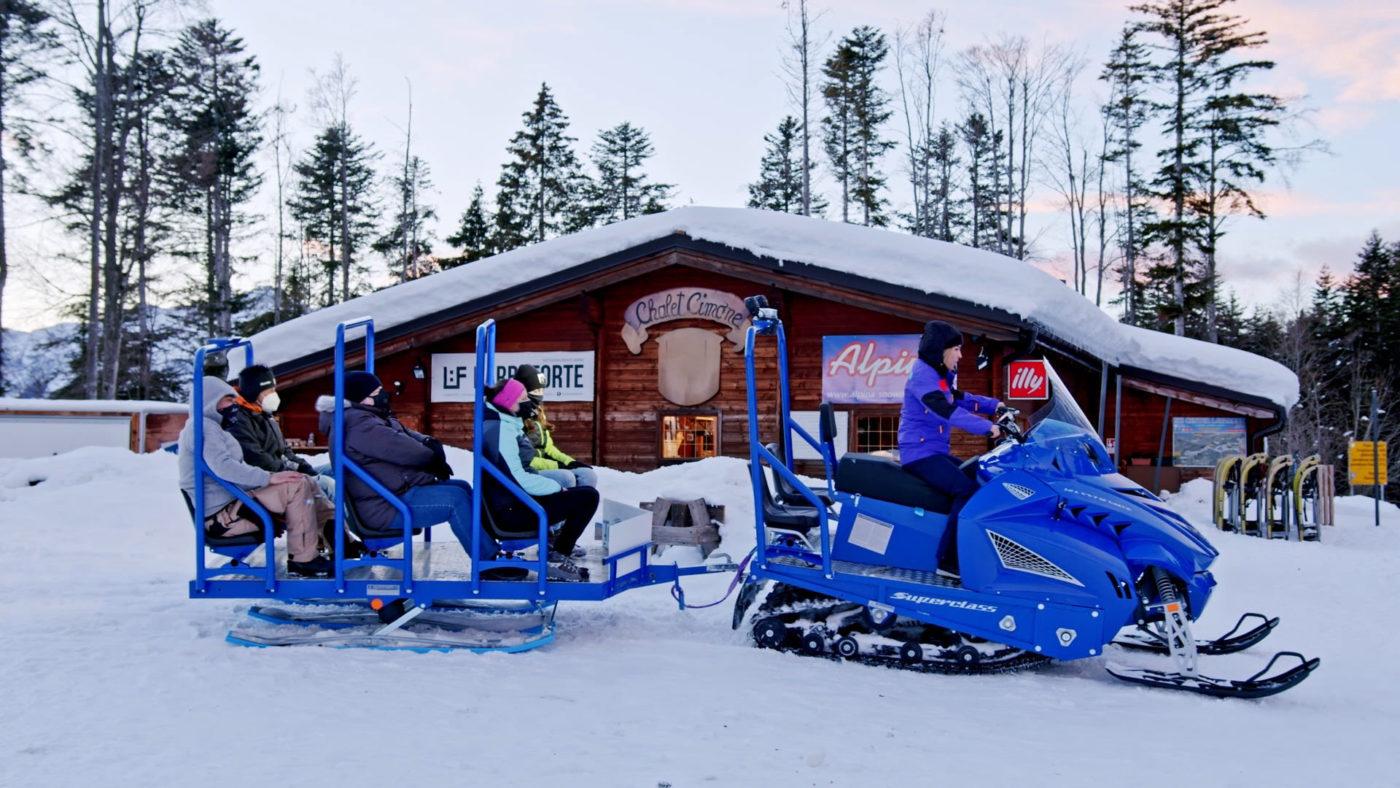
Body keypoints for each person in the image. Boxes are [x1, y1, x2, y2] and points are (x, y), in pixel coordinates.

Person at [178, 377, 336, 578]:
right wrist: (269, 478)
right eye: (228, 400)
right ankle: (303, 560)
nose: (233, 405)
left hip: (236, 504)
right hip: (224, 518)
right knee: (296, 486)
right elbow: (224, 467)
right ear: (210, 401)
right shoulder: (203, 428)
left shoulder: (213, 427)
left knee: (304, 480)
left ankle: (340, 541)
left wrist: (275, 476)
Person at [898, 320, 1003, 576]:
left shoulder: (937, 375)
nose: (960, 354)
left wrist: (994, 406)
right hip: (918, 454)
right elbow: (946, 410)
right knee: (966, 490)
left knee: (975, 476)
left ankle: (964, 546)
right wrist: (986, 428)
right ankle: (948, 560)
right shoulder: (924, 376)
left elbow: (957, 398)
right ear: (941, 351)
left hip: (932, 451)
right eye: (956, 349)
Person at [481, 377, 597, 581]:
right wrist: (555, 487)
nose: (529, 402)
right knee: (588, 497)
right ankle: (558, 558)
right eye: (524, 398)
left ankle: (558, 551)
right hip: (512, 511)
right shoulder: (502, 431)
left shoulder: (506, 424)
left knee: (582, 494)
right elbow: (519, 479)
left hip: (514, 501)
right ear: (509, 402)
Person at [511, 364, 598, 489]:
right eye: (536, 391)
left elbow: (549, 449)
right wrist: (558, 466)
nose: (540, 395)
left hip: (544, 466)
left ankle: (579, 507)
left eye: (541, 390)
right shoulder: (514, 417)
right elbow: (523, 459)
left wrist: (570, 462)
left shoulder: (538, 413)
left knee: (588, 475)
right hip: (527, 470)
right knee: (566, 478)